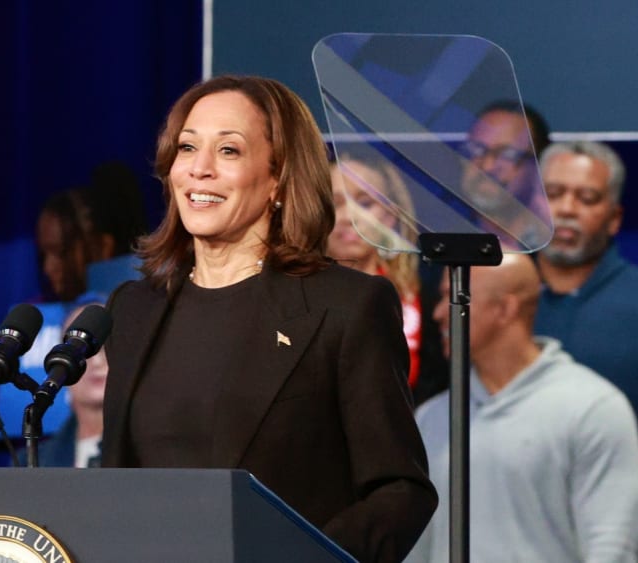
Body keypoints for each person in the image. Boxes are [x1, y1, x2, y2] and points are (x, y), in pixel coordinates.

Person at [100, 75, 437, 562]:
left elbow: (400, 491)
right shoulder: (133, 309)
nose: (199, 169)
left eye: (229, 151)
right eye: (187, 147)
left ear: (278, 179)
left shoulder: (345, 307)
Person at [407, 254, 638, 562]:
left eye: (453, 297)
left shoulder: (594, 409)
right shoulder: (433, 417)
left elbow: (612, 548)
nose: (437, 313)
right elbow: (415, 548)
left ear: (505, 308)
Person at [328, 155, 447, 401]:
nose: (349, 217)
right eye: (335, 203)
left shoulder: (428, 298)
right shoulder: (295, 295)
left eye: (365, 203)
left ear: (390, 216)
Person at [534, 140, 638, 412]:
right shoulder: (496, 293)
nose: (567, 208)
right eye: (553, 193)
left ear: (614, 219)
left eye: (587, 198)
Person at [35, 161, 147, 302]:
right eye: (42, 255)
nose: (47, 268)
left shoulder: (137, 306)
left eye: (61, 252)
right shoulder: (35, 312)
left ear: (104, 247)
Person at [17, 296, 108, 468]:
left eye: (107, 347)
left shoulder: (152, 450)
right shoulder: (31, 462)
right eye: (81, 349)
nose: (97, 361)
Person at [458, 101, 551, 249]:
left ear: (537, 164)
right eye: (476, 149)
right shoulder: (440, 238)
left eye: (507, 154)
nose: (487, 167)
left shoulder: (556, 247)